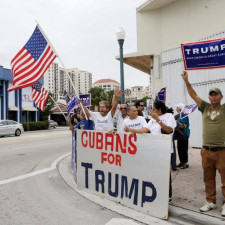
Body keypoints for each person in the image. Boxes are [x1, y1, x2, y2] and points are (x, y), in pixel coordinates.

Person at [182, 71, 225, 216]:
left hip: (222, 151)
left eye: (216, 94)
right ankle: (210, 201)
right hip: (206, 151)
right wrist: (187, 81)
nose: (213, 96)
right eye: (211, 94)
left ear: (221, 96)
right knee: (208, 178)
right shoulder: (205, 107)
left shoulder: (224, 109)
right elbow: (193, 95)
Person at [125, 101, 176, 203]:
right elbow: (145, 130)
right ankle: (157, 193)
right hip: (153, 149)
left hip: (164, 150)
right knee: (154, 172)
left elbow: (169, 130)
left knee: (165, 173)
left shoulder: (168, 116)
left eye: (153, 108)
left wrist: (158, 120)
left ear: (159, 110)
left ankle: (168, 196)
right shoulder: (152, 119)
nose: (151, 111)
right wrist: (131, 130)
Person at [174, 103, 190, 169]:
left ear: (180, 108)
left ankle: (185, 163)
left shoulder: (184, 116)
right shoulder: (179, 115)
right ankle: (181, 162)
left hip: (184, 134)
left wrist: (177, 122)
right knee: (179, 148)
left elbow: (184, 125)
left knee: (184, 149)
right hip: (179, 135)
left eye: (177, 107)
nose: (176, 108)